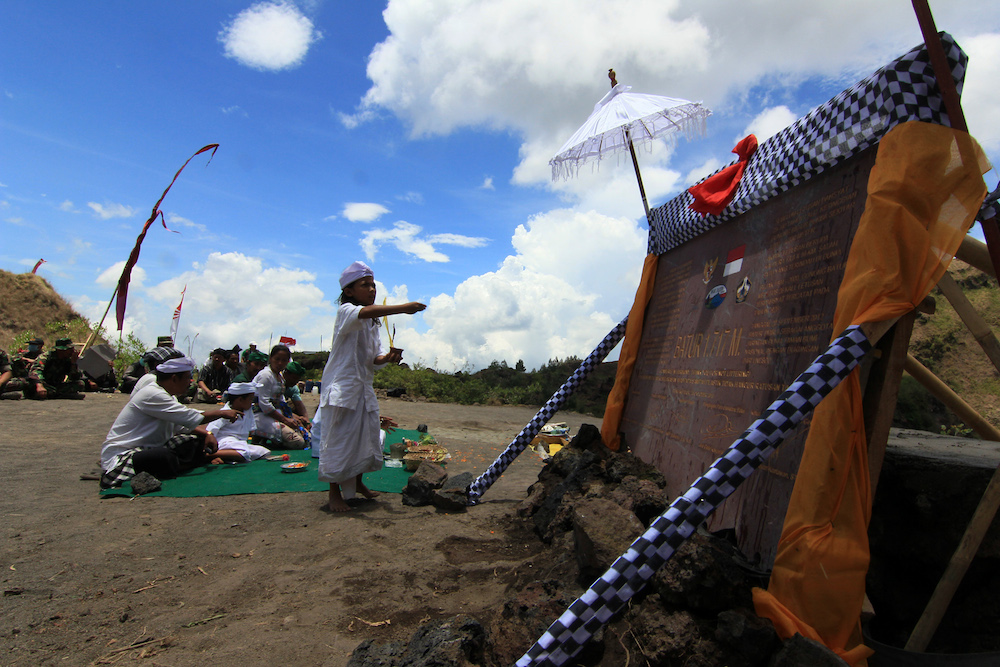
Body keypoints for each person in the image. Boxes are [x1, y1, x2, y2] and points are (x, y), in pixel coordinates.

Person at [318, 260, 426, 512]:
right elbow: (366, 312)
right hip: (342, 388)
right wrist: (402, 308)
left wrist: (387, 358)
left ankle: (358, 484)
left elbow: (373, 360)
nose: (371, 289)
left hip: (363, 389)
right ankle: (334, 494)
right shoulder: (346, 312)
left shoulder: (373, 324)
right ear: (349, 291)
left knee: (364, 439)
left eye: (373, 285)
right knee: (339, 440)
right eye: (365, 285)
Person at [99, 356, 242, 489]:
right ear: (174, 379)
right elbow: (191, 417)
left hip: (151, 446)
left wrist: (207, 434)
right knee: (164, 456)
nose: (190, 382)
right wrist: (222, 413)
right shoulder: (152, 394)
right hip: (125, 453)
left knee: (195, 442)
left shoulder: (168, 396)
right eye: (187, 378)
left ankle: (182, 463)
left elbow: (181, 426)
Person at [252, 344, 306, 449]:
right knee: (298, 442)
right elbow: (264, 404)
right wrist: (285, 420)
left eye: (284, 360)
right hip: (261, 415)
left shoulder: (279, 377)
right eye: (277, 359)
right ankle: (263, 436)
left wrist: (294, 417)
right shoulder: (266, 375)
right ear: (270, 358)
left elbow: (281, 401)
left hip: (275, 414)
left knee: (306, 435)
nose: (280, 363)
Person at [205, 382, 270, 462]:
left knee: (264, 452)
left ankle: (225, 456)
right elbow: (211, 430)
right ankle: (211, 455)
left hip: (239, 444)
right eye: (250, 399)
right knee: (245, 452)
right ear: (240, 400)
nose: (252, 402)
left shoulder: (248, 411)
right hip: (225, 442)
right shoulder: (224, 413)